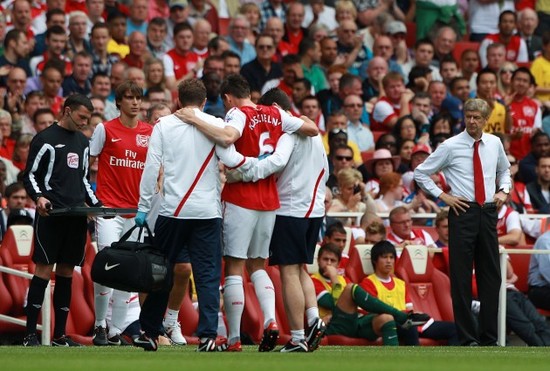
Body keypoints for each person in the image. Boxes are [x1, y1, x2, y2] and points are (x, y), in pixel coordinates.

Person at [175, 74, 319, 352]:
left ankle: (234, 339)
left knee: (235, 268)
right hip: (270, 201)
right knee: (258, 266)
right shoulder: (275, 114)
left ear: (228, 98)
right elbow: (312, 129)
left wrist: (195, 119)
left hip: (240, 198)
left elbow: (228, 139)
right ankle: (270, 321)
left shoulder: (236, 114)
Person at [133, 78, 249, 352]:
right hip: (207, 212)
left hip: (172, 210)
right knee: (207, 275)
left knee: (162, 272)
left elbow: (152, 168)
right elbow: (231, 161)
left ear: (178, 100)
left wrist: (143, 206)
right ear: (205, 101)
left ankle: (150, 331)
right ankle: (208, 335)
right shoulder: (217, 125)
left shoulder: (164, 125)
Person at [226, 87, 329, 352]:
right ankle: (314, 318)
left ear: (274, 108)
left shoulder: (289, 131)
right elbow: (325, 171)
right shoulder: (315, 135)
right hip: (314, 210)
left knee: (288, 272)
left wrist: (242, 173)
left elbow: (275, 162)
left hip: (290, 209)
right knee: (301, 268)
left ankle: (296, 337)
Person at [414, 98, 511, 346]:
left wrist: (504, 191)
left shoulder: (495, 143)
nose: (472, 121)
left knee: (492, 277)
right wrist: (443, 195)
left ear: (486, 120)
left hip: (488, 211)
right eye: (468, 116)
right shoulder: (450, 145)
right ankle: (468, 339)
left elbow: (505, 170)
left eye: (477, 117)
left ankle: (490, 338)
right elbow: (421, 172)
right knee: (460, 277)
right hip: (463, 211)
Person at [22, 94, 101, 346]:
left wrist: (98, 205)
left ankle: (60, 335)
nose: (84, 123)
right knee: (44, 270)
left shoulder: (83, 142)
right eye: (81, 117)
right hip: (51, 215)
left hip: (75, 216)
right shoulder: (45, 139)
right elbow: (30, 175)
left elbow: (84, 180)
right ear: (67, 111)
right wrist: (39, 198)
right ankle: (29, 334)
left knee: (67, 272)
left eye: (88, 119)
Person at [89, 81, 152, 346]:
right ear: (119, 102)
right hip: (109, 210)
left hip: (135, 213)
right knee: (106, 265)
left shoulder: (150, 132)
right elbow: (87, 163)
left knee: (128, 272)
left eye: (138, 98)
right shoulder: (104, 129)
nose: (135, 103)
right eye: (129, 98)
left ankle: (116, 328)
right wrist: (91, 200)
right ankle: (99, 325)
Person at [311, 243, 430, 346]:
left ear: (338, 264)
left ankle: (394, 361)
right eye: (325, 259)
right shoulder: (314, 280)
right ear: (318, 261)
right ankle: (402, 317)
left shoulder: (344, 279)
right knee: (351, 288)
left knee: (387, 318)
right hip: (334, 325)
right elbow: (333, 304)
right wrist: (334, 278)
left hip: (355, 322)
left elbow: (353, 305)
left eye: (333, 261)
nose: (329, 264)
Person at [360, 241, 460, 345]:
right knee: (410, 327)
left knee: (455, 329)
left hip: (409, 322)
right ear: (375, 260)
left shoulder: (401, 284)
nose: (389, 261)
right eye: (384, 257)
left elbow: (409, 309)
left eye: (391, 257)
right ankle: (414, 359)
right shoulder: (368, 283)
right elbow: (371, 314)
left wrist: (417, 315)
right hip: (390, 324)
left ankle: (451, 360)